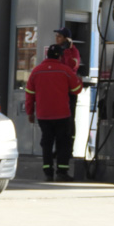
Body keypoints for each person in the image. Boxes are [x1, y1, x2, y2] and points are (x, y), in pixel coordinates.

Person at [25, 44, 83, 182]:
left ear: (47, 55)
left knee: (47, 143)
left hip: (43, 115)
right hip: (62, 114)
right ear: (60, 56)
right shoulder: (65, 70)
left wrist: (30, 112)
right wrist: (79, 80)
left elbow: (29, 94)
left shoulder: (36, 71)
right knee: (63, 143)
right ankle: (62, 172)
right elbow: (76, 89)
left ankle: (48, 173)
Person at [54, 27, 81, 129]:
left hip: (69, 90)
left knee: (69, 118)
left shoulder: (74, 52)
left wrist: (68, 50)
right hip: (58, 89)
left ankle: (69, 136)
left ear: (67, 39)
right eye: (56, 36)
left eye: (59, 36)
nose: (57, 38)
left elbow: (71, 66)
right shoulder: (56, 50)